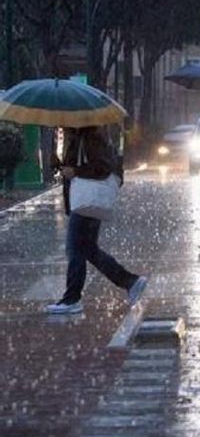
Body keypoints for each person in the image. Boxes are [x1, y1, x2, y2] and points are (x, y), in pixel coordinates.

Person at [45, 126, 147, 314]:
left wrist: (75, 171)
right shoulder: (78, 137)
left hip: (87, 201)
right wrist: (59, 165)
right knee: (88, 249)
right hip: (85, 201)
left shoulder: (90, 137)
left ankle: (72, 299)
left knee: (75, 249)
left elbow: (101, 167)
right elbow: (80, 166)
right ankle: (130, 281)